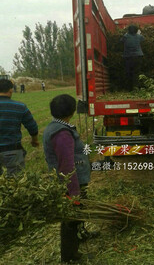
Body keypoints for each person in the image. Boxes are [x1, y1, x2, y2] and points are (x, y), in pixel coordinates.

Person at [43, 94, 91, 263]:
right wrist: (73, 193)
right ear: (71, 111)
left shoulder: (58, 126)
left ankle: (81, 234)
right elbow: (67, 166)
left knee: (78, 213)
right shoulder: (62, 133)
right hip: (70, 182)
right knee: (70, 218)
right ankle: (70, 255)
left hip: (71, 180)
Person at [0, 79, 39, 176]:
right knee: (16, 184)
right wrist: (34, 140)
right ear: (11, 90)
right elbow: (32, 127)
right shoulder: (20, 107)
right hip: (12, 150)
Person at [121, 25, 145, 91]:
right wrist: (139, 33)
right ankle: (135, 87)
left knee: (128, 72)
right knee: (136, 73)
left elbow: (121, 40)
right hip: (138, 57)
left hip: (128, 57)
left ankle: (129, 88)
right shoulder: (139, 36)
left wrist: (126, 33)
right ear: (136, 30)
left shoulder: (125, 37)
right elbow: (143, 39)